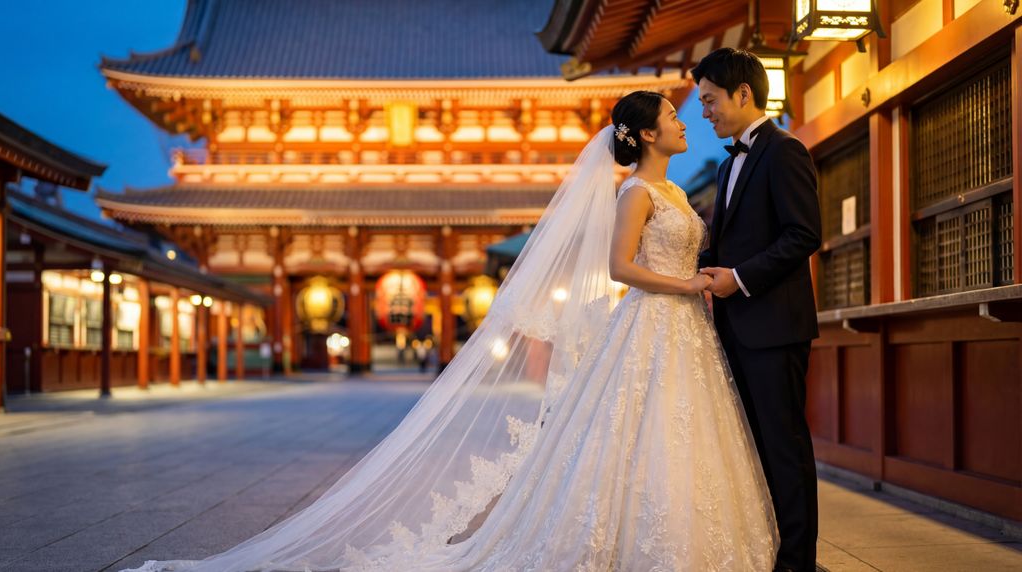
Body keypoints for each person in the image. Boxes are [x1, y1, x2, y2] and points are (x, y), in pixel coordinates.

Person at [123, 91, 777, 571]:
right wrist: (688, 284)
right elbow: (618, 268)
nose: (684, 121)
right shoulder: (634, 193)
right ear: (646, 134)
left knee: (674, 426)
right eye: (671, 115)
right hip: (656, 318)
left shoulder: (678, 194)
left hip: (686, 328)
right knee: (640, 423)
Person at [694, 48, 823, 572]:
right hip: (734, 330)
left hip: (774, 328)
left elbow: (803, 234)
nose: (704, 112)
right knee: (752, 450)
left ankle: (797, 562)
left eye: (710, 100)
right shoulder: (728, 164)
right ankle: (769, 549)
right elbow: (727, 243)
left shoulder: (786, 151)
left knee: (784, 448)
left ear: (743, 93)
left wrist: (739, 279)